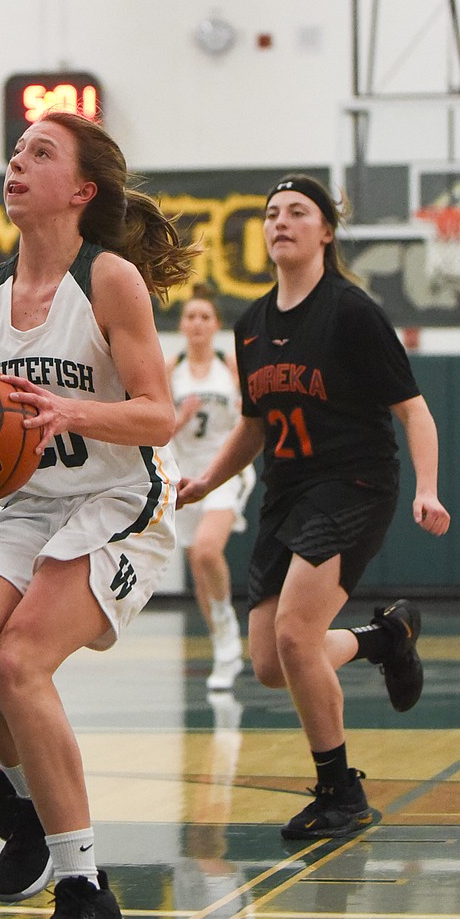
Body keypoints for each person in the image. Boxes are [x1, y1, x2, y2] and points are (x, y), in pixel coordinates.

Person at [0, 110, 197, 919]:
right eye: (15, 151)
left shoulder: (110, 279)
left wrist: (68, 410)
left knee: (17, 663)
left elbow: (157, 414)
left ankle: (91, 894)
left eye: (38, 153)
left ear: (80, 190)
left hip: (120, 495)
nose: (17, 161)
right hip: (34, 501)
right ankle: (22, 801)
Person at [177, 175, 449, 842]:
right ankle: (386, 639)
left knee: (297, 636)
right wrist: (209, 481)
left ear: (325, 230)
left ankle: (340, 792)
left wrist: (427, 488)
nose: (281, 222)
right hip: (287, 492)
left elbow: (413, 411)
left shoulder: (351, 312)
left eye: (297, 212)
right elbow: (252, 426)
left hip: (355, 483)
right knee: (271, 663)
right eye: (271, 213)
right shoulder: (250, 324)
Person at [169, 286, 256, 691]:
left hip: (224, 471)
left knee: (207, 549)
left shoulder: (231, 365)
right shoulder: (171, 368)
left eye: (205, 317)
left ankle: (228, 636)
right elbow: (155, 429)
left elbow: (252, 417)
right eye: (191, 317)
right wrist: (179, 420)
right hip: (184, 476)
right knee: (199, 569)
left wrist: (244, 410)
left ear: (216, 325)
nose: (198, 323)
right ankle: (222, 643)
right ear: (183, 325)